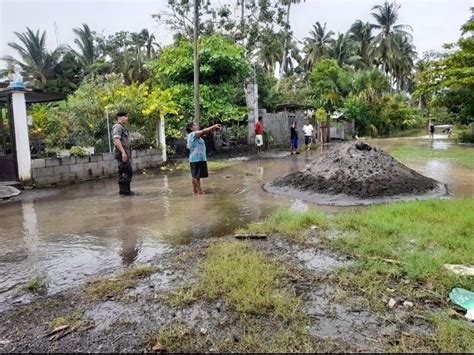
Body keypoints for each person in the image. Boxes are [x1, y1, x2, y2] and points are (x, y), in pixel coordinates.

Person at [186, 122, 221, 194]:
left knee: (194, 175)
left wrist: (212, 129)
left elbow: (204, 132)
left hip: (197, 158)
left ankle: (195, 190)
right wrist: (213, 126)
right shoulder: (193, 134)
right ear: (191, 128)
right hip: (196, 158)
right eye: (195, 125)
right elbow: (203, 131)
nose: (197, 126)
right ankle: (200, 191)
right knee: (196, 176)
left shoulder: (193, 135)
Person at [112, 111, 134, 196]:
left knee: (124, 171)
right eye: (125, 116)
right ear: (120, 117)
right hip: (121, 154)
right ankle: (125, 192)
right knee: (127, 171)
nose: (127, 118)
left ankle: (124, 192)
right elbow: (116, 140)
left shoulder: (122, 127)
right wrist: (123, 152)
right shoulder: (118, 127)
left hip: (124, 153)